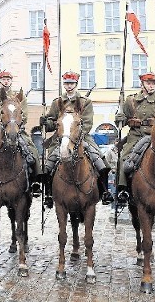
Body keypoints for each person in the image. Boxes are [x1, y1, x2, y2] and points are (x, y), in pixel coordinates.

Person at [39, 71, 112, 208]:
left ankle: (105, 191)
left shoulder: (85, 102)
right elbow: (52, 123)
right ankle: (48, 194)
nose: (69, 86)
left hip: (81, 138)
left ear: (76, 84)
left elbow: (88, 123)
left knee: (100, 161)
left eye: (71, 83)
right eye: (66, 83)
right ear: (64, 85)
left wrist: (76, 136)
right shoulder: (57, 102)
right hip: (61, 138)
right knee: (48, 165)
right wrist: (45, 122)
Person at [0, 70, 40, 197]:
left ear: (11, 81)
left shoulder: (19, 97)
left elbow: (24, 116)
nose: (6, 81)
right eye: (3, 79)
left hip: (15, 130)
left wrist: (11, 122)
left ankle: (35, 181)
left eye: (8, 79)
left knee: (32, 150)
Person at [114, 71, 155, 206]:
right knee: (124, 158)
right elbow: (123, 119)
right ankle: (123, 189)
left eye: (153, 84)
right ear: (142, 84)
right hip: (135, 135)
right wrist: (120, 119)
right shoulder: (130, 100)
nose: (151, 86)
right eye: (148, 83)